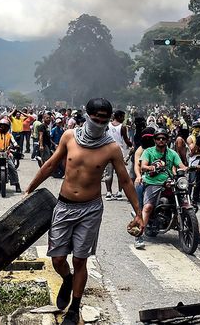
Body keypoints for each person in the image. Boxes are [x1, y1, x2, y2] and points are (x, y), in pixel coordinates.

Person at [23, 98, 143, 325]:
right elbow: (50, 165)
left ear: (109, 120)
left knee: (80, 260)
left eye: (103, 120)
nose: (99, 123)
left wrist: (138, 212)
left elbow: (125, 181)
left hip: (90, 210)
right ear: (86, 115)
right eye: (95, 118)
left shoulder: (111, 148)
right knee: (58, 259)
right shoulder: (69, 136)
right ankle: (67, 280)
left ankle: (74, 309)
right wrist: (30, 188)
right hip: (64, 205)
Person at [139, 128, 187, 242]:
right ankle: (139, 235)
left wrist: (188, 168)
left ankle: (199, 233)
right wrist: (150, 167)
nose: (161, 140)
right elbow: (143, 166)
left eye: (163, 138)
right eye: (158, 138)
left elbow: (180, 165)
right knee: (148, 207)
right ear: (154, 140)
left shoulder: (172, 153)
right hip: (152, 183)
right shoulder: (148, 152)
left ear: (167, 140)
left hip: (169, 182)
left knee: (185, 203)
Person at [132, 127, 155, 249]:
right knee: (139, 188)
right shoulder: (140, 150)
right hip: (146, 178)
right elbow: (137, 165)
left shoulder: (164, 149)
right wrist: (138, 176)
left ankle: (199, 233)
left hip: (162, 179)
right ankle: (138, 233)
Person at [104, 110, 133, 200]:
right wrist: (132, 145)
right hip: (118, 151)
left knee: (109, 173)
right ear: (119, 117)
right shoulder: (122, 127)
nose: (124, 119)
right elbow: (126, 140)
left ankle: (109, 192)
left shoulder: (107, 125)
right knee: (120, 173)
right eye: (123, 117)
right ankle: (119, 192)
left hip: (108, 150)